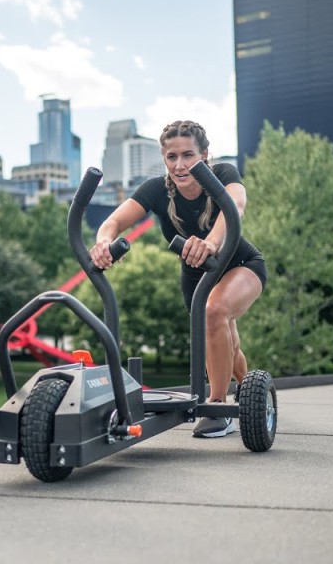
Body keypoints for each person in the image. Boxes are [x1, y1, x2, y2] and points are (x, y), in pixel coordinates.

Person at [89, 120, 267, 439]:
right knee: (227, 339)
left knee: (214, 313)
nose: (180, 165)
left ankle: (216, 407)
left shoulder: (223, 174)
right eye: (172, 157)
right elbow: (113, 221)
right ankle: (249, 388)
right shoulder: (157, 190)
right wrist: (104, 241)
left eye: (188, 155)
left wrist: (210, 242)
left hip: (240, 263)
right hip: (196, 276)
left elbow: (235, 207)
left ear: (205, 155)